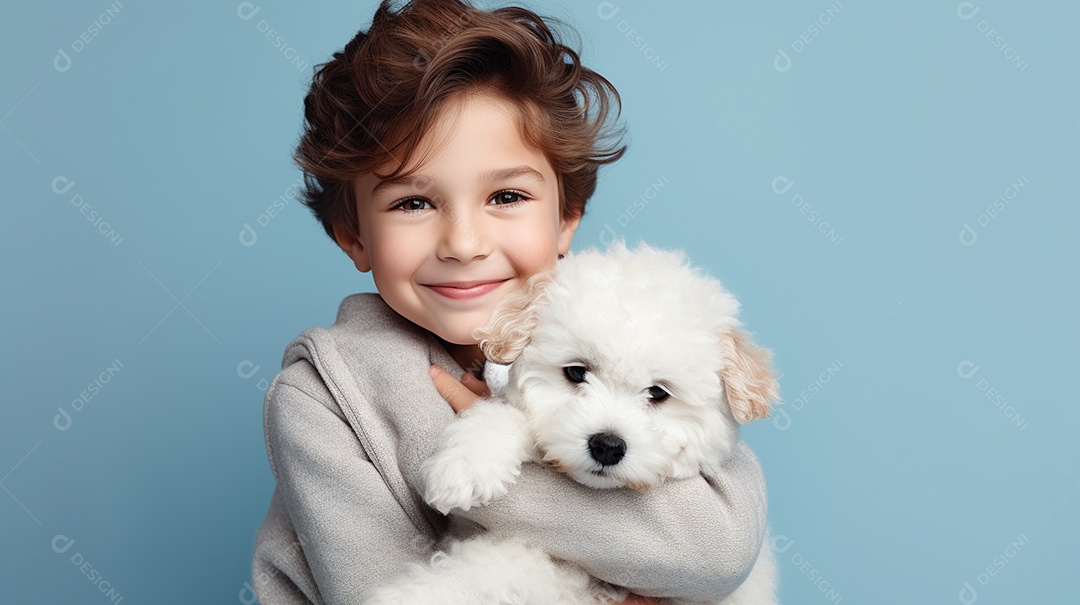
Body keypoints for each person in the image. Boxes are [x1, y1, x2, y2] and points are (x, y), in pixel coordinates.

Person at [250, 1, 769, 603]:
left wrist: (506, 467)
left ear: (567, 217)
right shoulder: (324, 396)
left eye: (506, 196)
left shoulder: (640, 326)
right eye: (413, 202)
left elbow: (718, 550)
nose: (464, 244)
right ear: (355, 236)